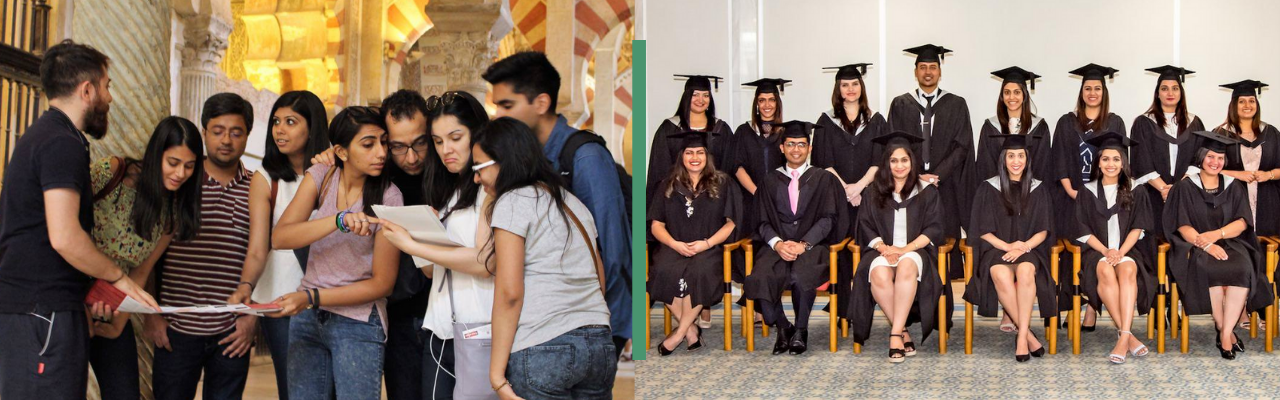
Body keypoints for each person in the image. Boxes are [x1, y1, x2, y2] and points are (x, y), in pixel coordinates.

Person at [0, 38, 158, 399]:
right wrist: (118, 278)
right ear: (87, 90)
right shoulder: (60, 142)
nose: (110, 98)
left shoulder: (50, 135)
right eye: (107, 86)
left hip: (45, 309)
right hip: (42, 311)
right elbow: (64, 236)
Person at [483, 51, 631, 359]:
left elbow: (612, 252)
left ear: (541, 103)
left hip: (588, 324)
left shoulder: (584, 157)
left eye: (507, 105)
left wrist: (595, 324)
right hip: (550, 322)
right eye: (497, 105)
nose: (498, 115)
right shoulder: (530, 159)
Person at [269, 106, 403, 398]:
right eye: (368, 145)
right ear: (341, 152)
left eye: (383, 142)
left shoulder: (390, 197)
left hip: (357, 322)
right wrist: (338, 220)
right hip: (308, 319)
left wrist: (311, 296)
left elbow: (382, 284)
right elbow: (281, 237)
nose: (380, 152)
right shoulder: (322, 176)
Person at [478, 117, 616, 399]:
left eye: (479, 168)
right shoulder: (570, 201)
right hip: (600, 344)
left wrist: (496, 375)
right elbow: (599, 277)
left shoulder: (513, 201)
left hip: (543, 344)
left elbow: (510, 293)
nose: (476, 178)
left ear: (504, 160)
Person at [311, 89, 435, 400]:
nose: (411, 156)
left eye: (420, 143)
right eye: (398, 146)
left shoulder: (447, 167)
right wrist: (332, 158)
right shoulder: (379, 174)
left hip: (446, 311)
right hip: (399, 311)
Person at [380, 90, 494, 399]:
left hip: (477, 325)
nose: (446, 150)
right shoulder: (444, 188)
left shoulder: (487, 185)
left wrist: (415, 244)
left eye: (455, 138)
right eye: (439, 141)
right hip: (432, 322)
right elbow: (433, 270)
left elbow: (486, 262)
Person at [145, 93, 259, 400]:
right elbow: (152, 255)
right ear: (204, 131)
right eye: (218, 131)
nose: (226, 140)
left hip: (231, 329)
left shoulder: (257, 188)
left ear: (248, 135)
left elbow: (266, 255)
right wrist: (152, 314)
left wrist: (251, 318)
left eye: (236, 132)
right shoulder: (182, 180)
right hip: (176, 326)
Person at [86, 116, 204, 400]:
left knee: (125, 392)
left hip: (111, 302)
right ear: (156, 155)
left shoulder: (171, 213)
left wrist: (118, 322)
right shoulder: (113, 172)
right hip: (69, 292)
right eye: (173, 162)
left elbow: (141, 271)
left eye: (189, 166)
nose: (181, 173)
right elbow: (64, 219)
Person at [226, 90, 330, 400]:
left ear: (312, 128)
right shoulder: (266, 178)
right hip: (281, 299)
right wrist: (246, 284)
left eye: (290, 122)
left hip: (331, 295)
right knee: (294, 389)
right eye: (276, 121)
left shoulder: (333, 172)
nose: (279, 130)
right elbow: (259, 246)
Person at [1163, 130, 1274, 360]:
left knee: (1241, 268)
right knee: (1210, 268)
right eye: (1211, 157)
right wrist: (1206, 245)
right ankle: (1226, 333)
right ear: (1201, 157)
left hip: (1233, 242)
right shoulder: (1185, 187)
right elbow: (1182, 226)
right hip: (1197, 246)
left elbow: (1243, 222)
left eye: (1220, 158)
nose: (1216, 162)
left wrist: (1217, 234)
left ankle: (1224, 332)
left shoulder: (1233, 185)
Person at [843, 131, 945, 363]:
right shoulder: (874, 192)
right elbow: (866, 226)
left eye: (904, 160)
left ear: (912, 161)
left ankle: (895, 334)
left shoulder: (926, 191)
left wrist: (904, 249)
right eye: (894, 160)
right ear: (887, 163)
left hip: (916, 251)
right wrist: (883, 248)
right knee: (878, 273)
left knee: (907, 266)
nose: (899, 166)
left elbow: (934, 228)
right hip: (883, 250)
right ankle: (902, 331)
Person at [744, 120, 844, 356]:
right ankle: (783, 326)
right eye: (790, 144)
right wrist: (777, 243)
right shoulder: (769, 180)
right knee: (760, 277)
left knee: (801, 276)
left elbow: (828, 218)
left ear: (809, 148)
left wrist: (804, 244)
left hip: (812, 247)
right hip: (776, 246)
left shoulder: (822, 179)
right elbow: (761, 220)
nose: (796, 149)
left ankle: (800, 330)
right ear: (782, 148)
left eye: (801, 144)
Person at [964, 134, 1056, 362]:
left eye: (1021, 155)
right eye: (1011, 155)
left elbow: (1043, 230)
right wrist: (1007, 246)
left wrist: (1022, 247)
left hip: (1029, 250)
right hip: (997, 249)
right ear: (1003, 159)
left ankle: (1022, 336)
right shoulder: (988, 188)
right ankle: (1028, 336)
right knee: (999, 273)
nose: (1016, 161)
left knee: (1025, 271)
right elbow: (982, 230)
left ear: (1028, 159)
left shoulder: (1039, 188)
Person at [649, 131, 740, 356]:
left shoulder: (722, 182)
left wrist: (706, 244)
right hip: (674, 246)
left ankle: (679, 334)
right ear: (681, 156)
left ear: (707, 156)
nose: (695, 157)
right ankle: (690, 330)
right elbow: (656, 225)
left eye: (700, 152)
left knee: (701, 272)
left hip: (708, 248)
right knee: (661, 270)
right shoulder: (667, 184)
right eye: (689, 153)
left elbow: (731, 224)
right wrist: (674, 244)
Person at [886, 44, 972, 279]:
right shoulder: (900, 104)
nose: (927, 72)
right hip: (908, 186)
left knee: (943, 241)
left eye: (932, 67)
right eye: (922, 67)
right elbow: (894, 144)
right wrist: (915, 175)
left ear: (939, 72)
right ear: (915, 72)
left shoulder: (956, 104)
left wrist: (936, 175)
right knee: (911, 240)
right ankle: (911, 300)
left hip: (945, 186)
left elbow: (961, 146)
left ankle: (943, 303)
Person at [1052, 63, 1127, 331]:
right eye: (1088, 88)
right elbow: (1058, 158)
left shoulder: (1114, 122)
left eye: (1097, 88)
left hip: (1104, 203)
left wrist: (1096, 199)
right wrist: (1074, 192)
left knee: (1098, 253)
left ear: (1104, 92)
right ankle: (1070, 307)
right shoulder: (1066, 122)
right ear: (1081, 92)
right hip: (1071, 200)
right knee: (1070, 254)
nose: (1092, 93)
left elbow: (1120, 163)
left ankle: (1092, 308)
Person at [1072, 132, 1156, 364]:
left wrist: (1120, 251)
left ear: (1123, 162)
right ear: (1098, 162)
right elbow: (1082, 229)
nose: (1111, 164)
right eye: (1106, 159)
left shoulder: (1136, 189)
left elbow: (1138, 228)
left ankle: (1123, 336)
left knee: (1127, 271)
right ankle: (1128, 336)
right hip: (1096, 252)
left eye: (1116, 159)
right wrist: (1107, 251)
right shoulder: (1086, 191)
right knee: (1105, 271)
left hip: (1129, 250)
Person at [814, 63, 888, 319]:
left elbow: (880, 161)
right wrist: (845, 189)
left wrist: (859, 187)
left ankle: (866, 304)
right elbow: (823, 161)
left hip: (869, 197)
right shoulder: (826, 121)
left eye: (855, 84)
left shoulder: (876, 120)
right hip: (837, 197)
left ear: (861, 87)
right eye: (845, 85)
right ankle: (842, 306)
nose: (850, 89)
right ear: (838, 89)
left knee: (867, 248)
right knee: (841, 251)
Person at [1130, 65, 1206, 241]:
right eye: (1164, 88)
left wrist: (1178, 189)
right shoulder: (1143, 122)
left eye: (1175, 88)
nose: (1169, 93)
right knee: (1154, 242)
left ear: (1181, 93)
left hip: (1186, 195)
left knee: (1185, 241)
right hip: (1153, 195)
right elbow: (1141, 159)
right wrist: (1165, 190)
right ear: (1157, 93)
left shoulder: (1194, 123)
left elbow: (1199, 159)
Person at [649, 74, 736, 203]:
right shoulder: (669, 129)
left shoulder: (721, 130)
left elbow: (728, 167)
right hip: (676, 200)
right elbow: (660, 169)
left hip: (714, 199)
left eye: (706, 95)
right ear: (686, 97)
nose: (701, 100)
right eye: (695, 95)